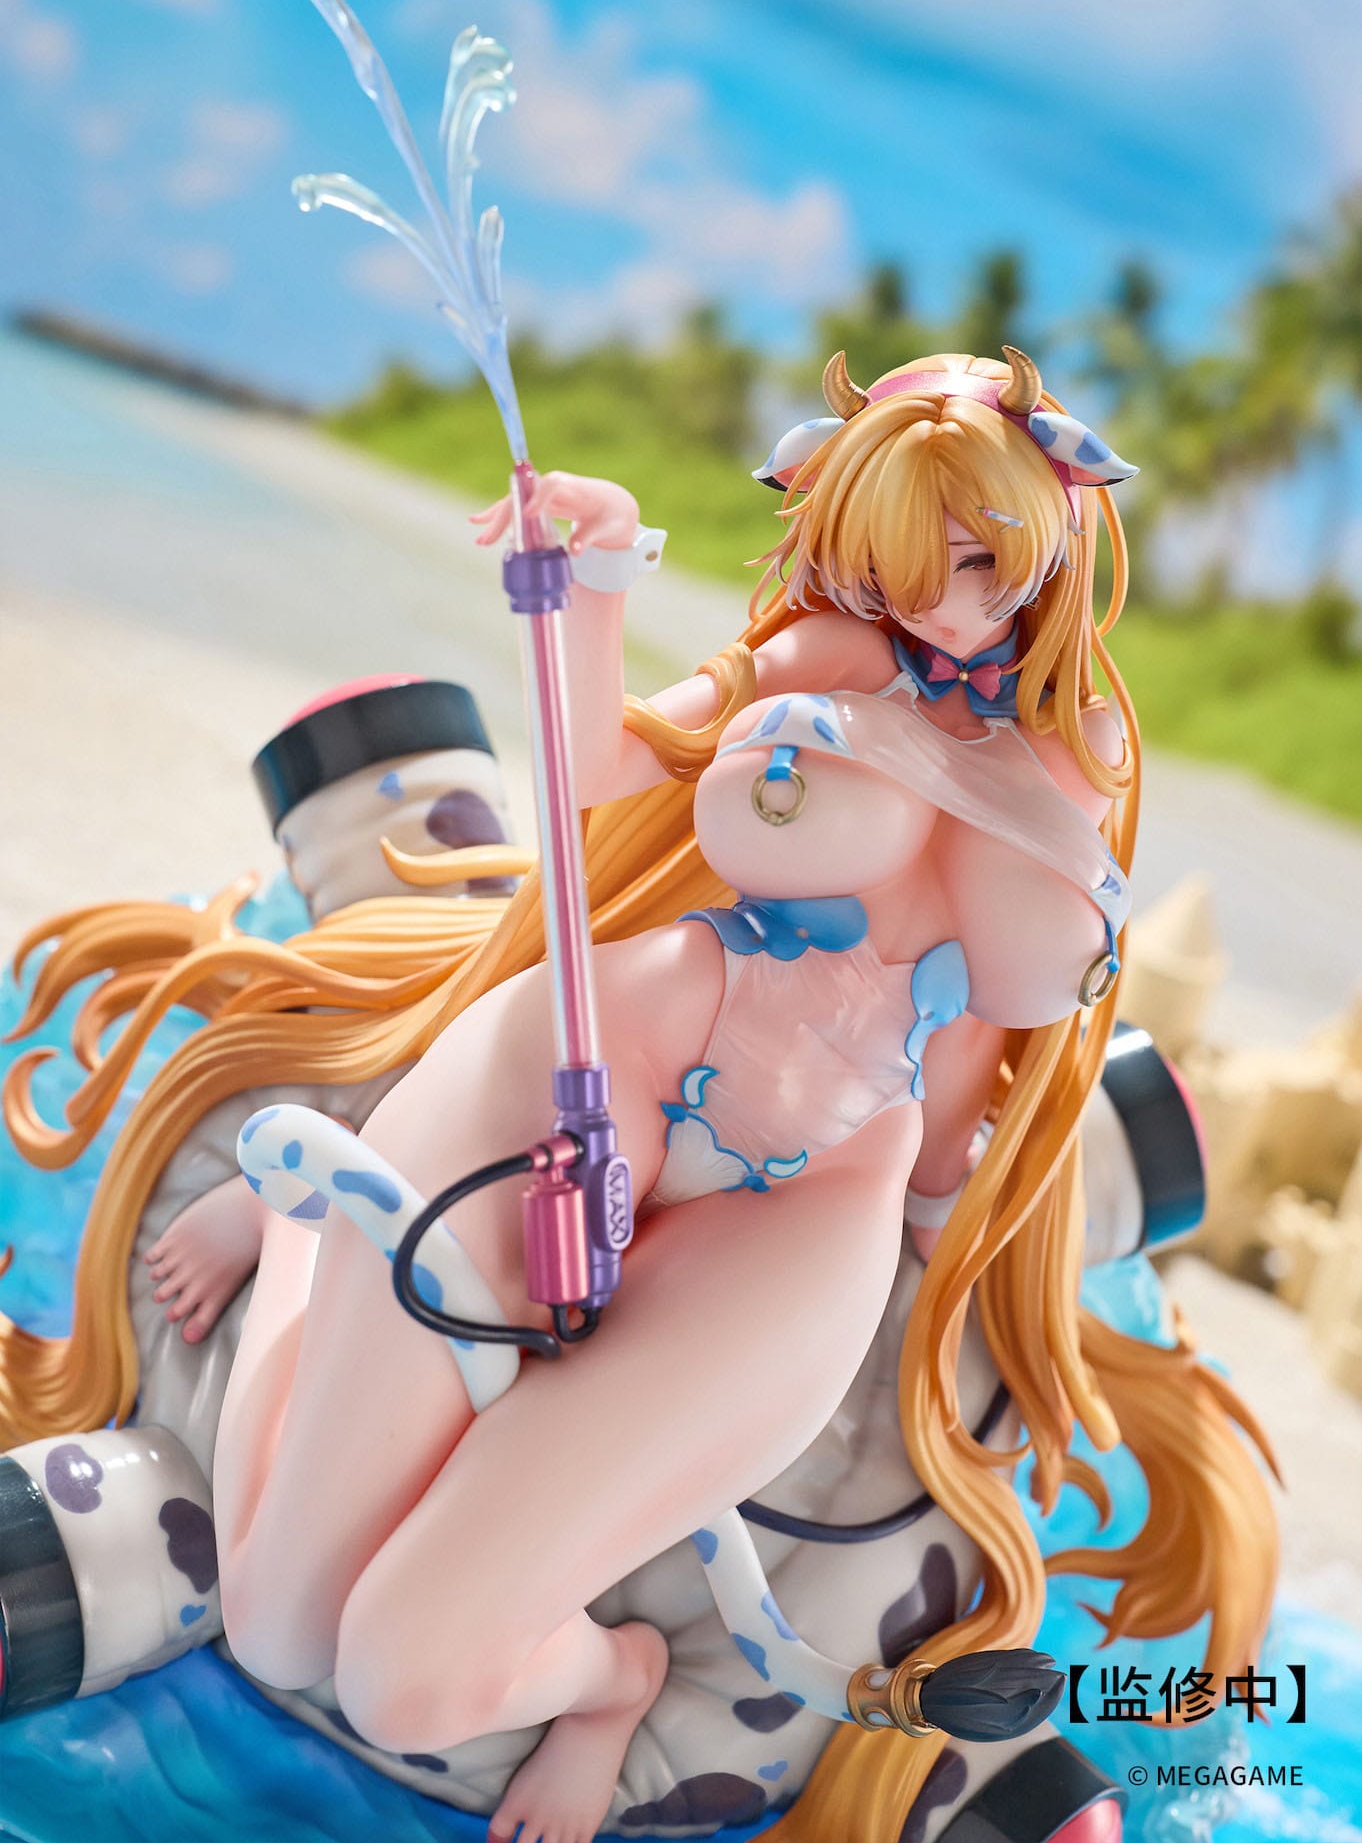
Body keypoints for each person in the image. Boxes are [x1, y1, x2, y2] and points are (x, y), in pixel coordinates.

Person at [199, 349, 1277, 1843]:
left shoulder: (1077, 754)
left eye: (976, 561)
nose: (939, 606)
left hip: (808, 1200)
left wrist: (962, 1255)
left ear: (1051, 534)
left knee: (402, 1675)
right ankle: (305, 1226)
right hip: (616, 1056)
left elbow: (994, 1050)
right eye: (900, 564)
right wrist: (592, 580)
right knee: (277, 1620)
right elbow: (598, 765)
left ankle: (609, 1681)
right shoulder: (813, 661)